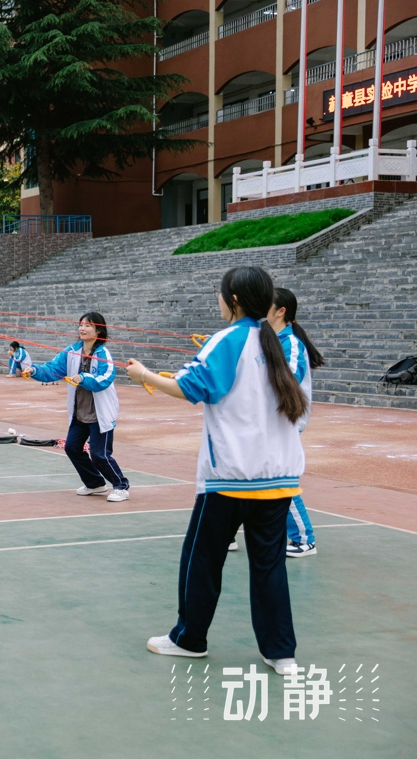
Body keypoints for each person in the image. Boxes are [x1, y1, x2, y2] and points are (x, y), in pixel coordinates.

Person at [128, 266, 307, 676]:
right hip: (277, 479)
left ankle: (189, 638)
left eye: (220, 293)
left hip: (229, 476)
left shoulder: (227, 340)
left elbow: (192, 388)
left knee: (202, 560)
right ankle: (281, 653)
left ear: (235, 300)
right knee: (269, 567)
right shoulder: (282, 345)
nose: (218, 298)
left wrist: (143, 376)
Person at [23, 312, 130, 502]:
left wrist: (83, 378)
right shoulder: (72, 351)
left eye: (88, 325)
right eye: (81, 324)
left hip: (100, 414)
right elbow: (52, 369)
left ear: (98, 330)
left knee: (99, 455)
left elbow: (105, 379)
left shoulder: (104, 354)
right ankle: (95, 483)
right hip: (80, 413)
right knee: (72, 448)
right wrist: (35, 371)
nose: (82, 328)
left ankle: (121, 485)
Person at [270, 287, 324, 558]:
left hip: (287, 418)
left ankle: (304, 539)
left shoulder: (290, 344)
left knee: (280, 480)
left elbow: (287, 378)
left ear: (281, 311)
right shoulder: (270, 340)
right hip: (271, 418)